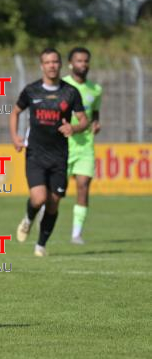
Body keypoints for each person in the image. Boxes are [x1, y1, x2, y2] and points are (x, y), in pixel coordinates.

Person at [10, 48, 88, 257]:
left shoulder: (70, 92)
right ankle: (28, 219)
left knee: (53, 204)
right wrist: (15, 137)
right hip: (35, 153)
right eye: (47, 62)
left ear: (61, 65)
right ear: (41, 65)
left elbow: (83, 120)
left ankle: (40, 245)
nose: (52, 65)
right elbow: (15, 112)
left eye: (55, 62)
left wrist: (74, 128)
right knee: (38, 199)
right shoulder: (31, 91)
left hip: (59, 155)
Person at [63, 47, 103, 245]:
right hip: (62, 145)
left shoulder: (96, 89)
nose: (83, 64)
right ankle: (43, 213)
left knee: (83, 186)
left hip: (85, 145)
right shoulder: (62, 86)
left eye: (86, 61)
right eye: (79, 61)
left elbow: (94, 113)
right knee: (55, 191)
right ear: (70, 63)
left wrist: (96, 122)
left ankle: (76, 234)